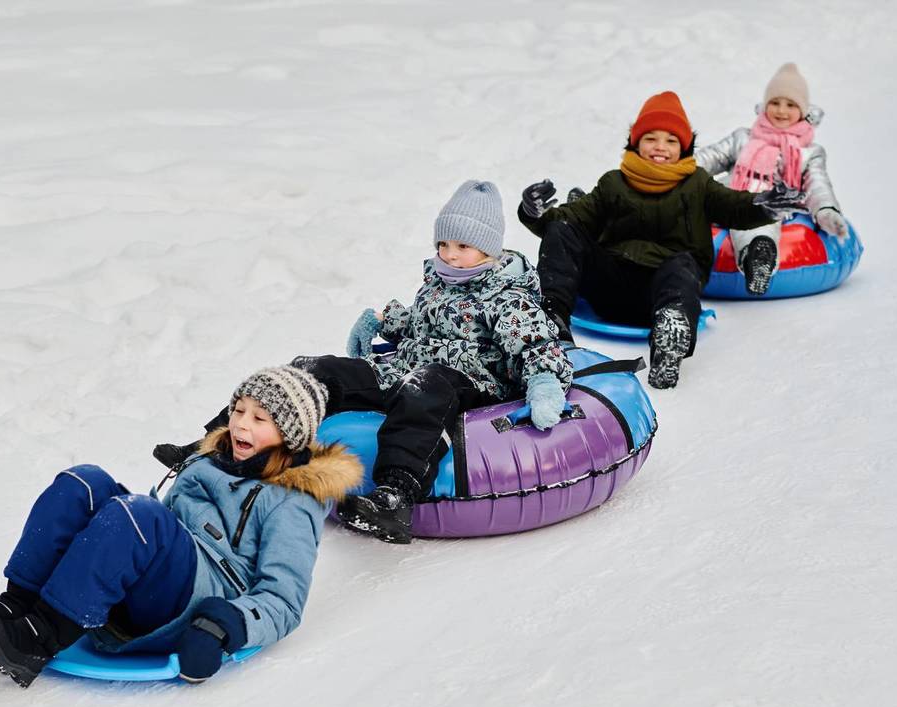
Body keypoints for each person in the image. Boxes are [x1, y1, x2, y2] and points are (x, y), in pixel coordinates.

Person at [156, 180, 572, 545]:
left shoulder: (508, 296)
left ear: (488, 249)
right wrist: (383, 320)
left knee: (423, 387)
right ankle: (217, 443)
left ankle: (395, 494)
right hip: (409, 364)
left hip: (468, 378)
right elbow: (420, 322)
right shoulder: (439, 280)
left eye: (462, 246)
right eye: (443, 244)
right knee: (318, 368)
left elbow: (535, 344)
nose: (449, 255)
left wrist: (544, 382)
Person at [0, 366, 362, 688]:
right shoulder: (208, 460)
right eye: (238, 410)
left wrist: (224, 626)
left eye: (260, 419)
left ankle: (37, 638)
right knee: (83, 483)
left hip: (193, 601)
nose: (241, 425)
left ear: (289, 435)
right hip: (162, 570)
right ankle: (17, 607)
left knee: (139, 516)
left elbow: (284, 602)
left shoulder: (294, 500)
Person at [519, 90, 804, 389]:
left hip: (663, 290)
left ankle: (671, 332)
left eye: (671, 140)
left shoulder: (698, 184)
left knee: (683, 264)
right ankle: (551, 321)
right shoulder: (613, 183)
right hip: (610, 285)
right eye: (651, 138)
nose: (660, 147)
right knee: (564, 228)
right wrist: (535, 214)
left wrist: (765, 204)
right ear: (636, 142)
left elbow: (735, 206)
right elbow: (572, 220)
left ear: (684, 147)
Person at [695, 63, 846, 294]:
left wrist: (826, 210)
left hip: (770, 206)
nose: (781, 111)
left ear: (803, 111)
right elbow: (709, 158)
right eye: (774, 103)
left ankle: (757, 258)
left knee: (756, 220)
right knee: (691, 207)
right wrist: (675, 168)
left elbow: (817, 184)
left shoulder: (808, 152)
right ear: (765, 106)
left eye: (790, 104)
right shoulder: (743, 138)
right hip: (730, 197)